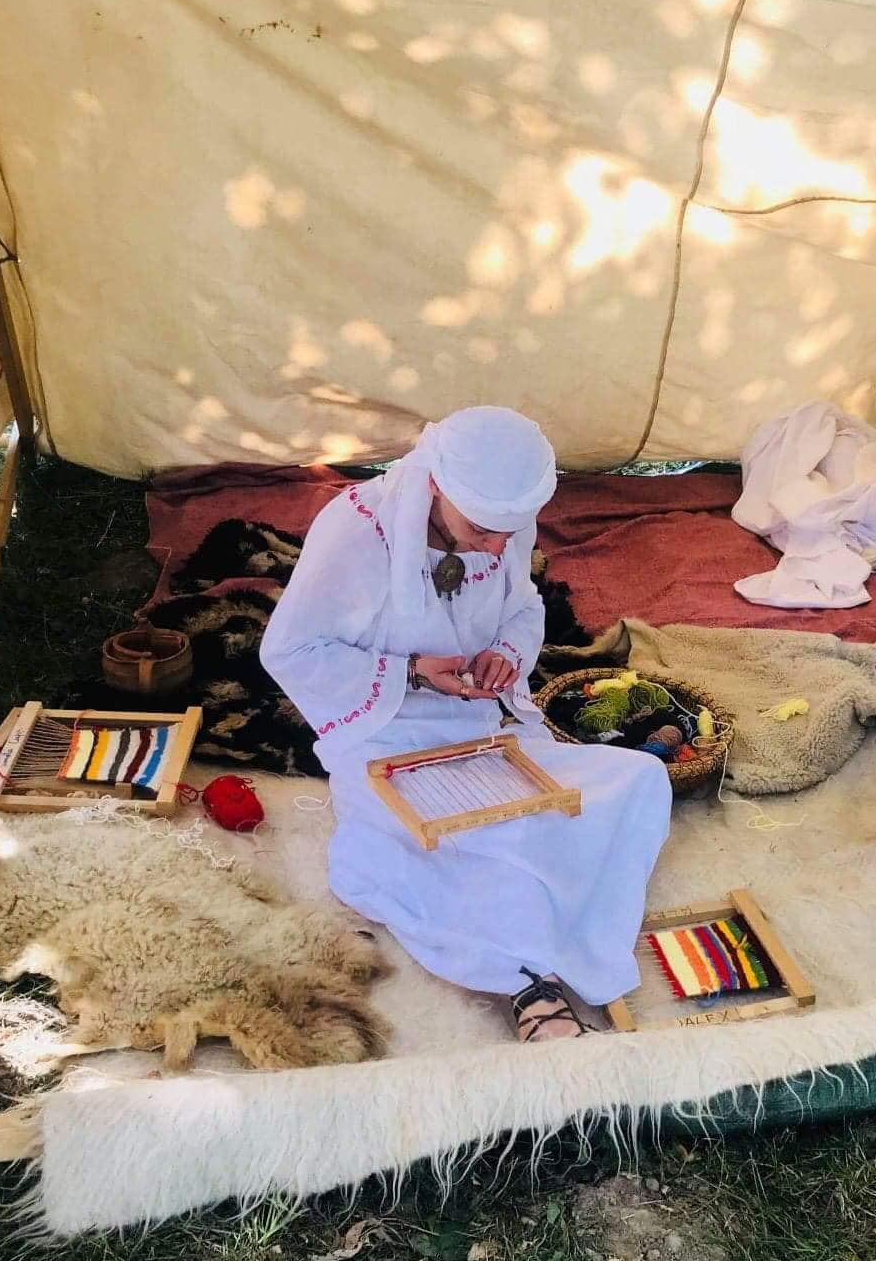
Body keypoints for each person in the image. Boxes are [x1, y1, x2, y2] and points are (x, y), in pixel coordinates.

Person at [261, 406, 672, 1041]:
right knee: (471, 849)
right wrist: (413, 672)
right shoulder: (354, 531)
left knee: (640, 781)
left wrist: (505, 653)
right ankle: (527, 981)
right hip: (386, 731)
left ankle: (551, 921)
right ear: (435, 487)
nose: (499, 548)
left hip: (480, 723)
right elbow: (289, 651)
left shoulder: (502, 522)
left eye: (511, 532)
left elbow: (523, 606)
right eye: (482, 530)